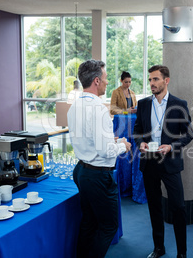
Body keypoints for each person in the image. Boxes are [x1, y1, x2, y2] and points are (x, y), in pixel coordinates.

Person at [67, 60, 131, 258]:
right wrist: (123, 145)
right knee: (109, 226)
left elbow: (88, 138)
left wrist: (111, 140)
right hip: (98, 176)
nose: (106, 83)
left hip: (81, 171)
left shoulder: (74, 106)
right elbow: (105, 151)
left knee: (89, 222)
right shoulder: (99, 109)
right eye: (104, 79)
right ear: (96, 81)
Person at [133, 65, 193, 258]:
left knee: (178, 208)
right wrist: (140, 142)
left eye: (156, 79)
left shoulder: (179, 104)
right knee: (154, 207)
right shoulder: (143, 104)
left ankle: (182, 252)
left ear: (166, 81)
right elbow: (137, 131)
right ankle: (159, 247)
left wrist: (171, 146)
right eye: (150, 80)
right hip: (149, 162)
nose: (152, 83)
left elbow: (188, 134)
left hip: (170, 162)